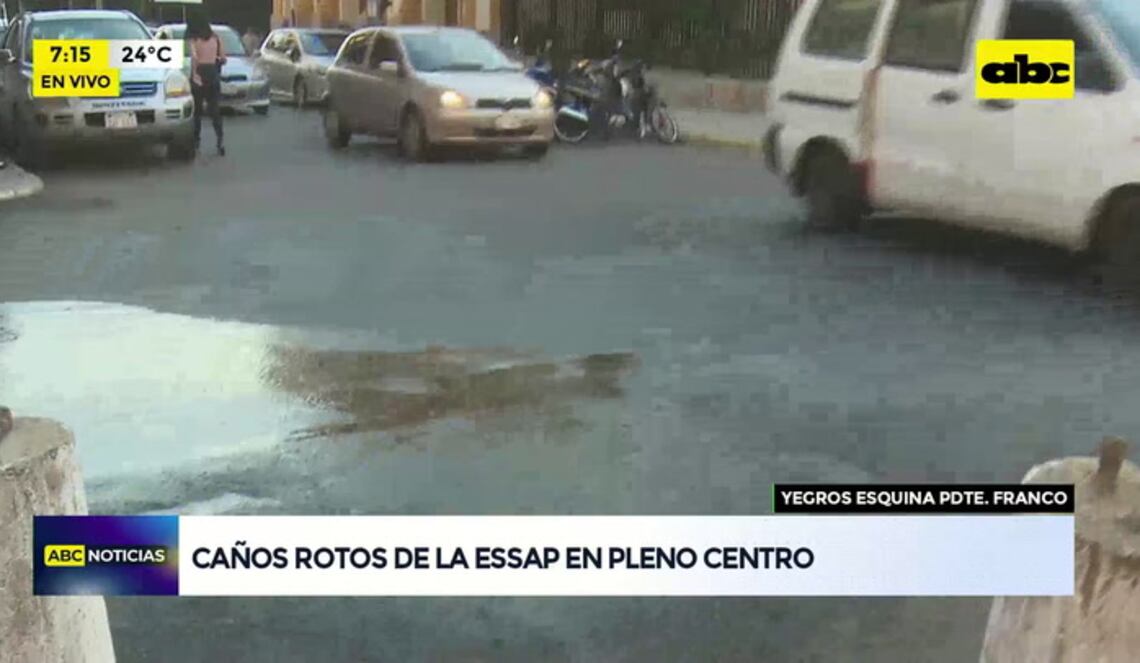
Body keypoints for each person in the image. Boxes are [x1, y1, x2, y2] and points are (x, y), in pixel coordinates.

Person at [187, 14, 227, 156]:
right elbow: (223, 58)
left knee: (197, 111)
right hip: (213, 74)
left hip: (199, 72)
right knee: (214, 110)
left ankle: (196, 141)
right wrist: (216, 61)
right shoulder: (216, 38)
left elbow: (194, 57)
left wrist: (194, 74)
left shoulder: (194, 39)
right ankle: (220, 141)